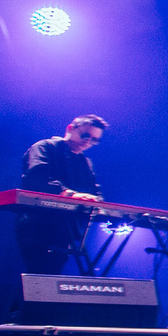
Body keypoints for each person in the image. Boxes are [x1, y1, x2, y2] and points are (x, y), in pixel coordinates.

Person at [17, 114, 107, 273]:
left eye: (94, 140)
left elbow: (94, 190)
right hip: (37, 225)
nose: (88, 142)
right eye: (85, 135)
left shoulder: (84, 162)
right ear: (70, 129)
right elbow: (37, 177)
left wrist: (98, 203)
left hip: (66, 229)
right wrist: (70, 194)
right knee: (37, 277)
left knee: (52, 278)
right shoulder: (45, 147)